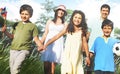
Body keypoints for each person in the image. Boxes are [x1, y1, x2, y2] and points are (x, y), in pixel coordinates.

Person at [2, 4, 43, 74]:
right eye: (22, 13)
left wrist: (41, 46)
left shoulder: (33, 26)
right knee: (12, 70)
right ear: (20, 14)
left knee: (15, 69)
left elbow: (36, 39)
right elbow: (12, 36)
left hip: (24, 50)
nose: (24, 16)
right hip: (13, 49)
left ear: (31, 15)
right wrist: (5, 31)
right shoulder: (16, 24)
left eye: (26, 14)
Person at [40, 5, 67, 74]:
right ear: (56, 11)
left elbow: (65, 34)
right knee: (46, 66)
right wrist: (40, 44)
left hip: (58, 44)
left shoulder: (65, 23)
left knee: (52, 67)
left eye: (62, 11)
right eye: (59, 10)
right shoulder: (49, 21)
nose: (60, 12)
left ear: (64, 13)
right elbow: (45, 33)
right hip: (47, 44)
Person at [86, 4, 111, 74]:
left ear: (109, 12)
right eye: (103, 10)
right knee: (88, 70)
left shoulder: (110, 23)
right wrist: (85, 48)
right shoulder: (93, 21)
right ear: (100, 11)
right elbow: (87, 34)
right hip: (91, 50)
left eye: (107, 11)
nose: (105, 12)